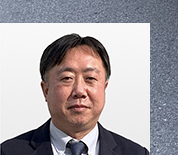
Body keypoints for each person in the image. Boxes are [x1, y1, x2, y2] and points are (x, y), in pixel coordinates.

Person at [0, 34, 149, 155]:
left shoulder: (136, 152)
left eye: (90, 78)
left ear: (104, 88)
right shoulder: (8, 151)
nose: (79, 91)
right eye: (67, 78)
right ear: (46, 90)